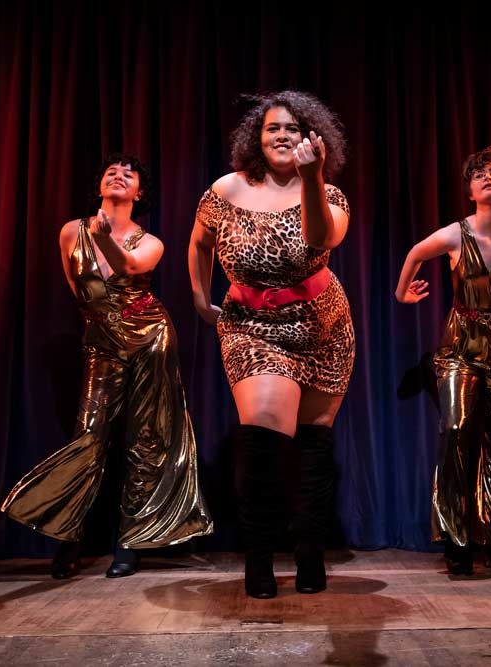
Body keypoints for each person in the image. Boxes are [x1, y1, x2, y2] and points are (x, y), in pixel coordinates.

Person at [2, 154, 213, 579]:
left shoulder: (149, 241)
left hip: (151, 337)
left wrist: (105, 239)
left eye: (128, 175)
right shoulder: (70, 232)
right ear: (100, 186)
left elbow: (131, 267)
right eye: (111, 173)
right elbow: (80, 292)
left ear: (138, 193)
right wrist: (98, 327)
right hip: (102, 342)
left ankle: (130, 542)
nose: (119, 177)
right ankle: (67, 538)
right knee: (89, 435)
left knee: (146, 438)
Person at [189, 91, 354, 598]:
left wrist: (310, 178)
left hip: (322, 323)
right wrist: (199, 298)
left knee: (312, 443)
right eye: (271, 128)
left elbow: (321, 239)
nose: (281, 136)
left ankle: (309, 553)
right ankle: (258, 560)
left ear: (312, 138)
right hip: (249, 324)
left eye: (292, 128)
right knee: (261, 439)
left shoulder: (328, 193)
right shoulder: (226, 189)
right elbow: (199, 243)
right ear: (255, 139)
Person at [395, 145, 491, 575]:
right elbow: (414, 255)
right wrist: (401, 292)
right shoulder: (456, 235)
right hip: (459, 347)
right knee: (457, 430)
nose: (489, 176)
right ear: (470, 190)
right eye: (480, 172)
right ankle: (457, 542)